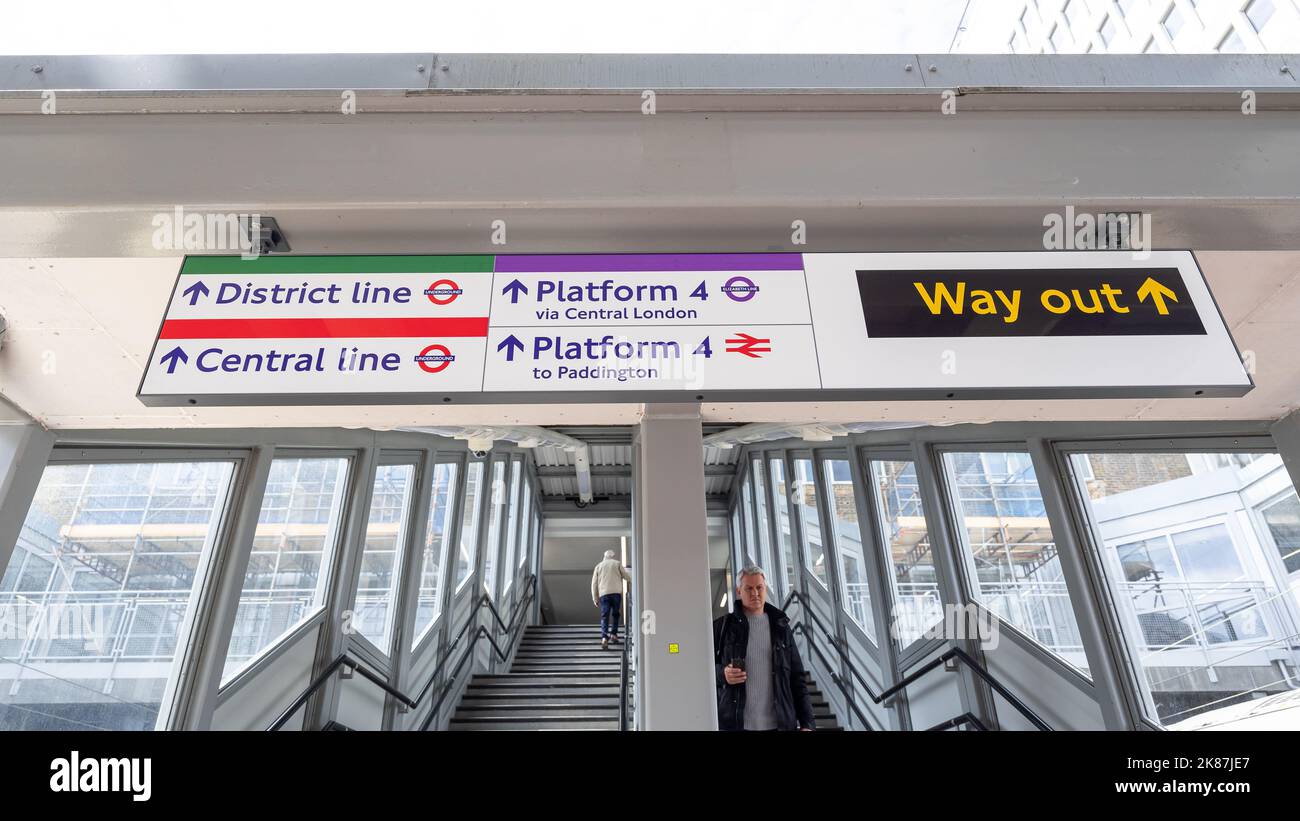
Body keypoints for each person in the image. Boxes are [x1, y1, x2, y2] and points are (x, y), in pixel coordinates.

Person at [712, 565, 816, 731]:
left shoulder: (781, 627)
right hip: (735, 724)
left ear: (765, 588)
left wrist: (807, 723)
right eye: (749, 588)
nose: (755, 593)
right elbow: (703, 670)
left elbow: (797, 678)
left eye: (759, 587)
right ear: (739, 591)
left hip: (779, 725)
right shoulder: (722, 626)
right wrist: (722, 674)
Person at [591, 549, 632, 649]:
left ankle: (604, 638)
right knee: (616, 614)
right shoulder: (617, 564)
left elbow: (594, 584)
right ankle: (614, 634)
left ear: (604, 556)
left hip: (604, 594)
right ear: (612, 556)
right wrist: (633, 579)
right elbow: (626, 576)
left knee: (605, 615)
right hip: (616, 593)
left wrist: (595, 598)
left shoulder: (598, 566)